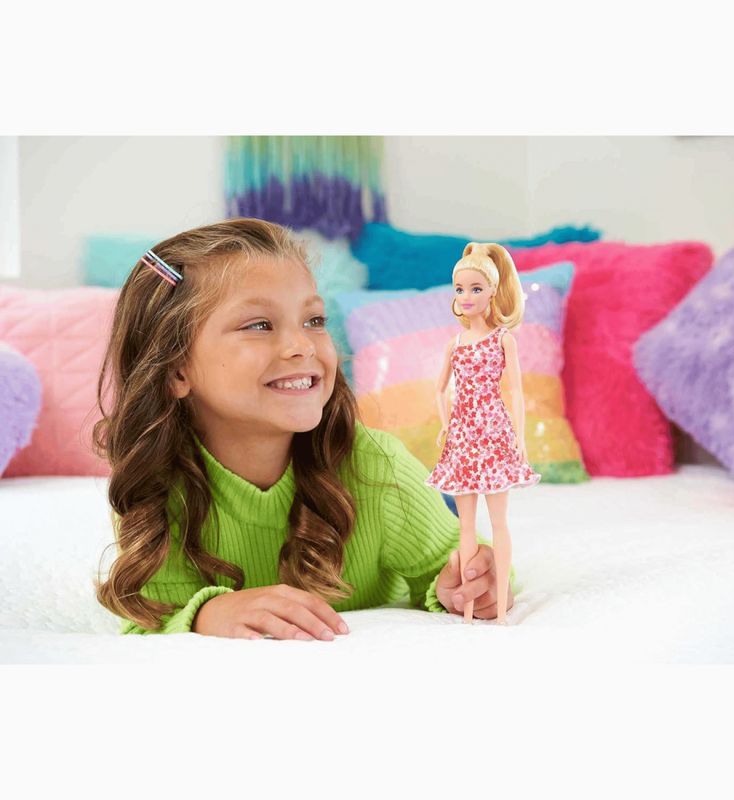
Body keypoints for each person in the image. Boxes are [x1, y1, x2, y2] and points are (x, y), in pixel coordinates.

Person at [93, 218, 514, 640]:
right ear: (176, 370)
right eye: (259, 325)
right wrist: (206, 614)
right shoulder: (156, 486)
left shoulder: (377, 466)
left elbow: (466, 565)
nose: (303, 345)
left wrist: (471, 584)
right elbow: (150, 619)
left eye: (314, 320)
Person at [425, 243, 540, 624]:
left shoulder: (503, 339)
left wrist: (520, 436)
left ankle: (502, 605)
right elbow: (440, 388)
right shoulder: (455, 343)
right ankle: (469, 609)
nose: (466, 296)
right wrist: (446, 423)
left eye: (475, 288)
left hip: (493, 433)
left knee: (499, 521)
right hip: (462, 437)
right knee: (466, 525)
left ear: (492, 291)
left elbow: (517, 391)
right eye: (460, 289)